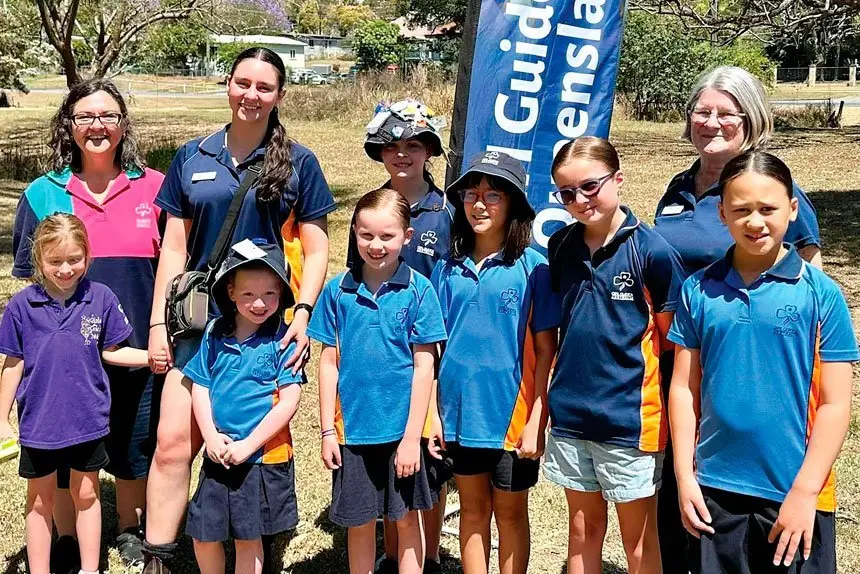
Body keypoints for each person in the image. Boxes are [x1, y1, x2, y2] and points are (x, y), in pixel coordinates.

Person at [144, 46, 336, 573]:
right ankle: (161, 554)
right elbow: (175, 249)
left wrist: (302, 313)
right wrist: (159, 323)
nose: (252, 95)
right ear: (228, 85)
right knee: (172, 441)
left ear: (278, 96)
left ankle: (256, 543)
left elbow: (317, 248)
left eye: (264, 87)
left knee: (259, 437)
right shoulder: (192, 155)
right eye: (242, 83)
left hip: (264, 321)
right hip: (198, 320)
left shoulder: (300, 162)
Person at [652, 65, 824, 573]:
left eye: (727, 113)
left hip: (748, 368)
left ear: (751, 119)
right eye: (702, 111)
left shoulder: (773, 189)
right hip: (677, 360)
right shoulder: (677, 187)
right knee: (681, 492)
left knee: (738, 499)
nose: (712, 122)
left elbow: (806, 292)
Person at [668, 151, 858, 573]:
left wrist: (806, 492)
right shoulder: (698, 291)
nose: (755, 222)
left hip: (794, 494)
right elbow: (684, 388)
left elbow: (835, 404)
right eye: (741, 210)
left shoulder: (821, 295)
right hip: (714, 491)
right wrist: (684, 477)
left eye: (768, 209)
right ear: (721, 213)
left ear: (793, 210)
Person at [11, 78, 165, 571]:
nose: (97, 126)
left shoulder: (157, 188)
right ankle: (63, 536)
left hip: (136, 345)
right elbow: (27, 280)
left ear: (123, 125)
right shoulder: (41, 193)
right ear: (69, 126)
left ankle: (127, 529)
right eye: (85, 117)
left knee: (132, 443)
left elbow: (177, 263)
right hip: (66, 360)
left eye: (107, 116)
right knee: (62, 442)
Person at [544, 137, 684, 574]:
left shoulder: (652, 251)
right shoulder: (560, 246)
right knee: (583, 531)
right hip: (569, 416)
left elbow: (672, 345)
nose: (580, 200)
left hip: (629, 420)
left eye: (590, 186)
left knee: (638, 540)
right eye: (567, 193)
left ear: (618, 179)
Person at [431, 151, 559, 574]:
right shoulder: (446, 269)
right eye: (471, 194)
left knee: (509, 514)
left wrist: (536, 417)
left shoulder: (534, 268)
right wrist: (433, 414)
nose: (480, 204)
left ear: (515, 205)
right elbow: (430, 352)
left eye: (493, 195)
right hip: (459, 416)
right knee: (471, 512)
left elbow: (545, 352)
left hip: (510, 418)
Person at [0, 214, 149, 574]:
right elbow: (13, 364)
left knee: (87, 494)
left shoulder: (100, 298)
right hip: (39, 423)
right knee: (39, 501)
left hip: (88, 420)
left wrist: (153, 357)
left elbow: (112, 350)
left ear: (87, 256)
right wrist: (1, 418)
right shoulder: (21, 307)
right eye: (55, 261)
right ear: (38, 260)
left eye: (74, 259)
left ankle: (89, 568)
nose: (65, 269)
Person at [309, 188, 447, 574]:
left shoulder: (421, 290)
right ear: (354, 233)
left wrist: (410, 438)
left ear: (407, 236)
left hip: (401, 433)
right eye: (366, 234)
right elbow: (328, 364)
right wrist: (326, 431)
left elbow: (424, 367)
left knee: (405, 520)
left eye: (387, 236)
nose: (376, 244)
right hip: (352, 433)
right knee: (359, 522)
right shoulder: (337, 291)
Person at [353, 99, 454, 574]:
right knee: (394, 460)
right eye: (390, 146)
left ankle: (428, 556)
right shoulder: (371, 211)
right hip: (385, 356)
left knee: (426, 467)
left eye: (412, 145)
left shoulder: (447, 209)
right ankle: (394, 554)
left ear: (428, 151)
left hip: (433, 351)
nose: (401, 154)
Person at [183, 241, 304, 574]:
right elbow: (200, 386)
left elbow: (290, 401)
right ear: (231, 292)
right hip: (219, 454)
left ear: (281, 293)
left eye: (269, 293)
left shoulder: (284, 340)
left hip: (260, 458)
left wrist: (249, 445)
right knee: (204, 534)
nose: (260, 303)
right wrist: (210, 437)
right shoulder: (214, 334)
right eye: (248, 294)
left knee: (248, 538)